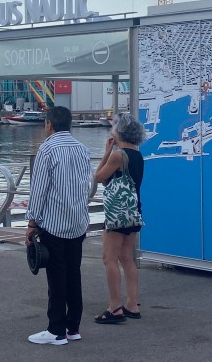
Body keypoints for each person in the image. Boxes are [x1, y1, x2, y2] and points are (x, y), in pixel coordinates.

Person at [26, 106, 93, 346]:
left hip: (54, 224)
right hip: (78, 223)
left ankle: (56, 330)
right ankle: (73, 327)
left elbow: (39, 189)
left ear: (49, 124)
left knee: (56, 278)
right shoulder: (82, 149)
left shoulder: (47, 149)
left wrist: (32, 222)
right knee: (74, 275)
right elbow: (87, 185)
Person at [92, 112, 146, 325]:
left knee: (109, 258)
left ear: (120, 132)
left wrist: (107, 152)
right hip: (133, 212)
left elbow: (99, 177)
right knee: (127, 258)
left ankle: (114, 306)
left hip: (117, 214)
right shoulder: (138, 156)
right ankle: (132, 304)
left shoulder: (118, 155)